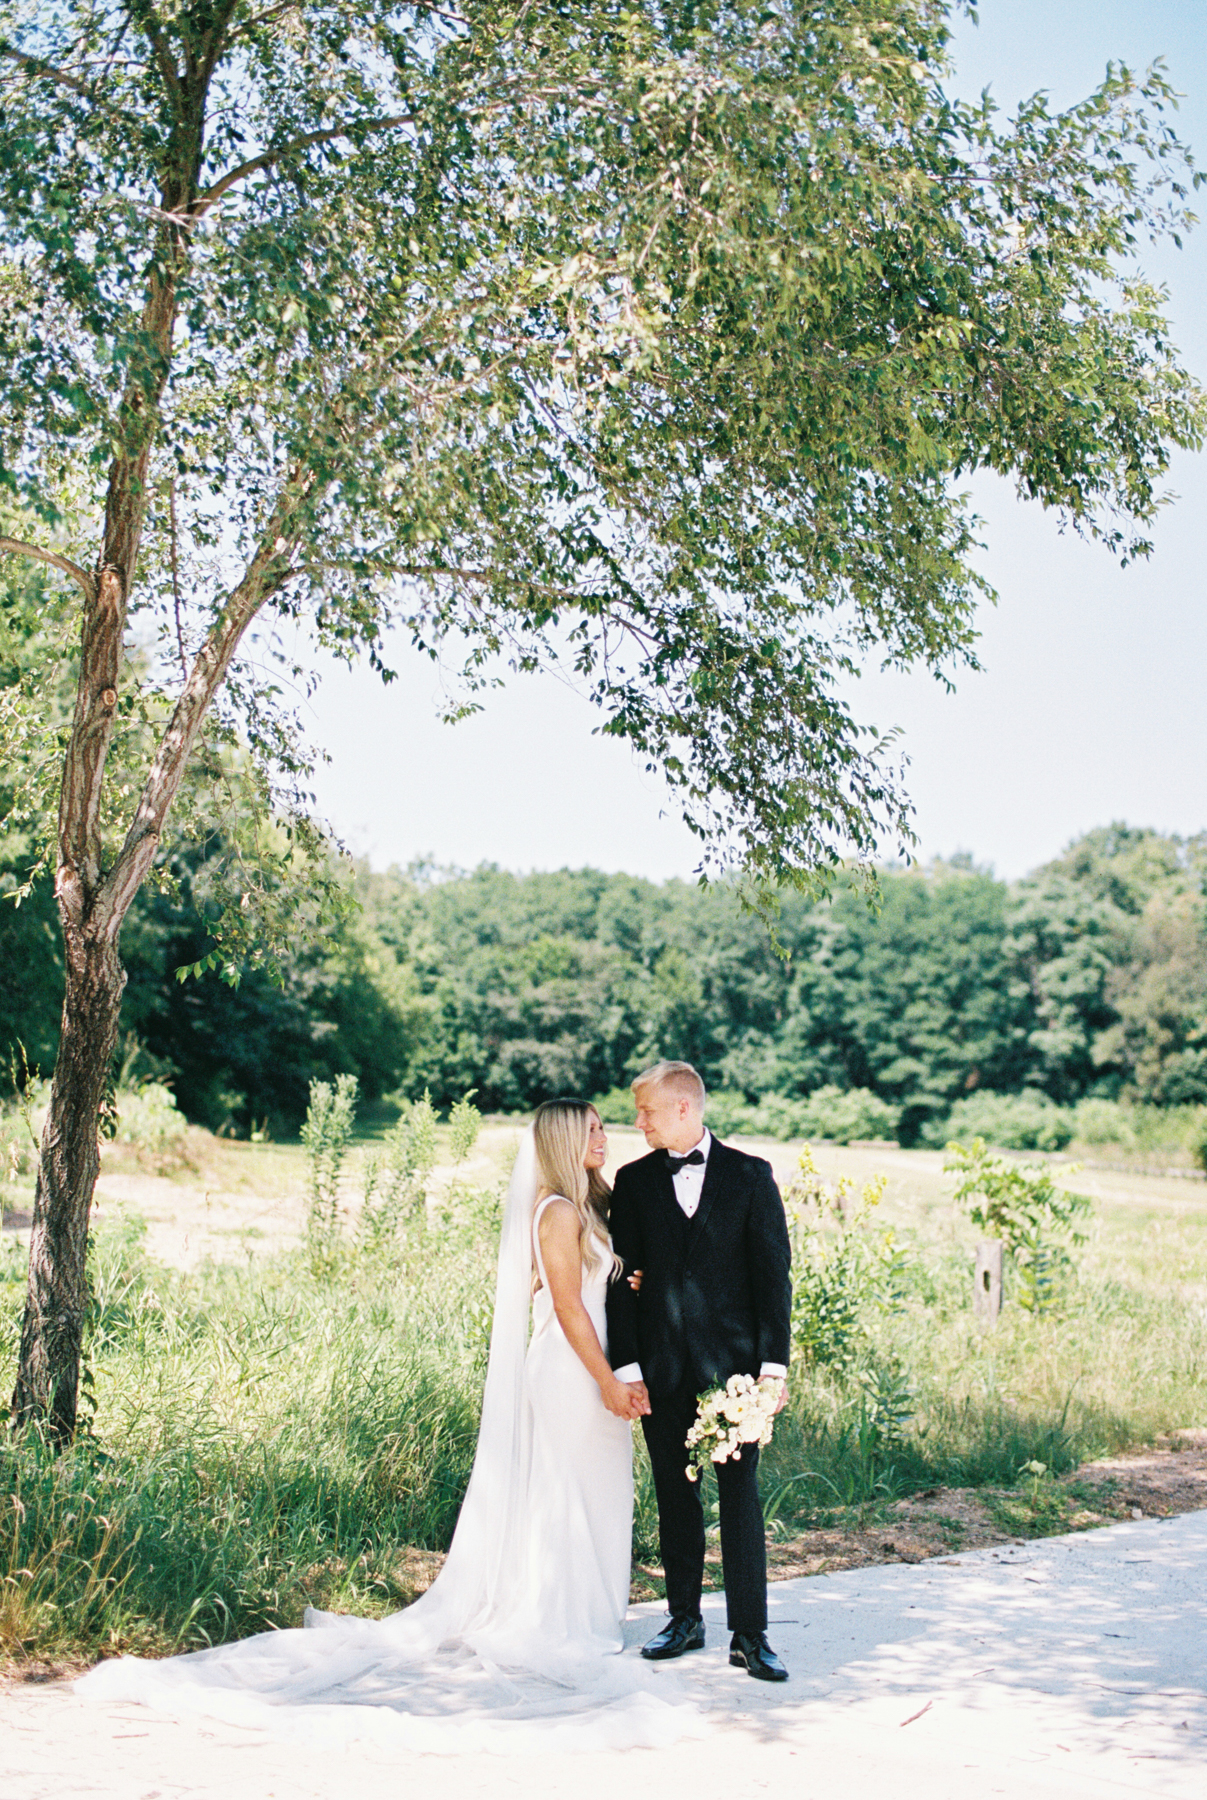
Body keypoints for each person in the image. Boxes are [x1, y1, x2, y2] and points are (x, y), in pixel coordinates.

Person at [76, 1100, 699, 1754]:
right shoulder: (558, 1211)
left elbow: (588, 1288)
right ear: (564, 1139)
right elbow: (568, 1307)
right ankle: (561, 1620)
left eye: (602, 1126)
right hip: (574, 1369)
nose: (604, 1136)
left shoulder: (586, 1207)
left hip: (591, 1363)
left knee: (596, 1490)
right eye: (592, 1128)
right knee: (566, 1493)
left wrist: (628, 1283)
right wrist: (607, 1380)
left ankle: (588, 1613)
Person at [605, 1060, 793, 1683]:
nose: (638, 1123)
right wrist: (627, 1366)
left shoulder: (751, 1176)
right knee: (674, 1496)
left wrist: (772, 1369)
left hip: (734, 1376)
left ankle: (750, 1634)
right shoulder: (633, 1182)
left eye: (647, 1111)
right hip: (660, 1371)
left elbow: (773, 1279)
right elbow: (620, 1284)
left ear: (683, 1108)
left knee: (740, 1499)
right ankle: (683, 1618)